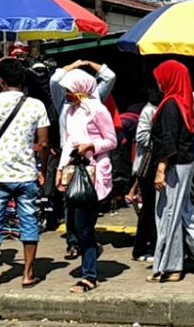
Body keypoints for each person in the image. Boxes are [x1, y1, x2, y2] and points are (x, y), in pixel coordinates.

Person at [0, 58, 49, 289]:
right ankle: (28, 274)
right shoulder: (36, 105)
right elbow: (43, 144)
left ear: (1, 81)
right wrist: (41, 170)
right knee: (29, 222)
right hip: (26, 174)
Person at [148, 60, 194, 283]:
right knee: (184, 211)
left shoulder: (170, 104)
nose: (159, 84)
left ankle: (171, 267)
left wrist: (161, 170)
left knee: (168, 214)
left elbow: (169, 142)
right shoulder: (181, 102)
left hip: (175, 165)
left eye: (162, 79)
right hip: (184, 163)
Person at [55, 69, 117, 293]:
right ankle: (90, 254)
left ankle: (89, 275)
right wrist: (60, 170)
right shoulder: (71, 111)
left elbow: (111, 140)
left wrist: (91, 146)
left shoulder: (98, 110)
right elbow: (69, 142)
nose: (67, 94)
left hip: (94, 173)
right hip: (75, 172)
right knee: (75, 224)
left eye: (69, 90)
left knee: (83, 225)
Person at [129, 88, 162, 262]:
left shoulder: (155, 109)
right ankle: (140, 249)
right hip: (147, 167)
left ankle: (149, 245)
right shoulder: (149, 111)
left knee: (152, 208)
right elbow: (141, 136)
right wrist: (160, 142)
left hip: (151, 167)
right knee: (148, 209)